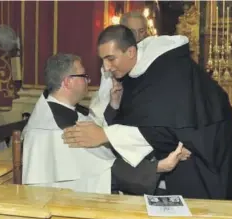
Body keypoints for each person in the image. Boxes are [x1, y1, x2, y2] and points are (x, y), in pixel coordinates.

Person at [63, 25, 232, 200]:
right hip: (177, 158)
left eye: (110, 59)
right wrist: (115, 106)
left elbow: (163, 129)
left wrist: (106, 135)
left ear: (131, 52)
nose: (106, 67)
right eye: (103, 60)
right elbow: (136, 119)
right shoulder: (135, 71)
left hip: (201, 157)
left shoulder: (168, 70)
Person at [22, 53, 189, 194]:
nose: (88, 80)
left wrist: (113, 105)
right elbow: (104, 172)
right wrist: (159, 167)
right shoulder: (54, 128)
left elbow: (98, 133)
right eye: (83, 76)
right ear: (67, 82)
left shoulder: (63, 110)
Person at [89, 11, 149, 126]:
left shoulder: (151, 59)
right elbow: (104, 97)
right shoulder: (111, 64)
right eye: (132, 32)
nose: (137, 36)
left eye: (141, 31)